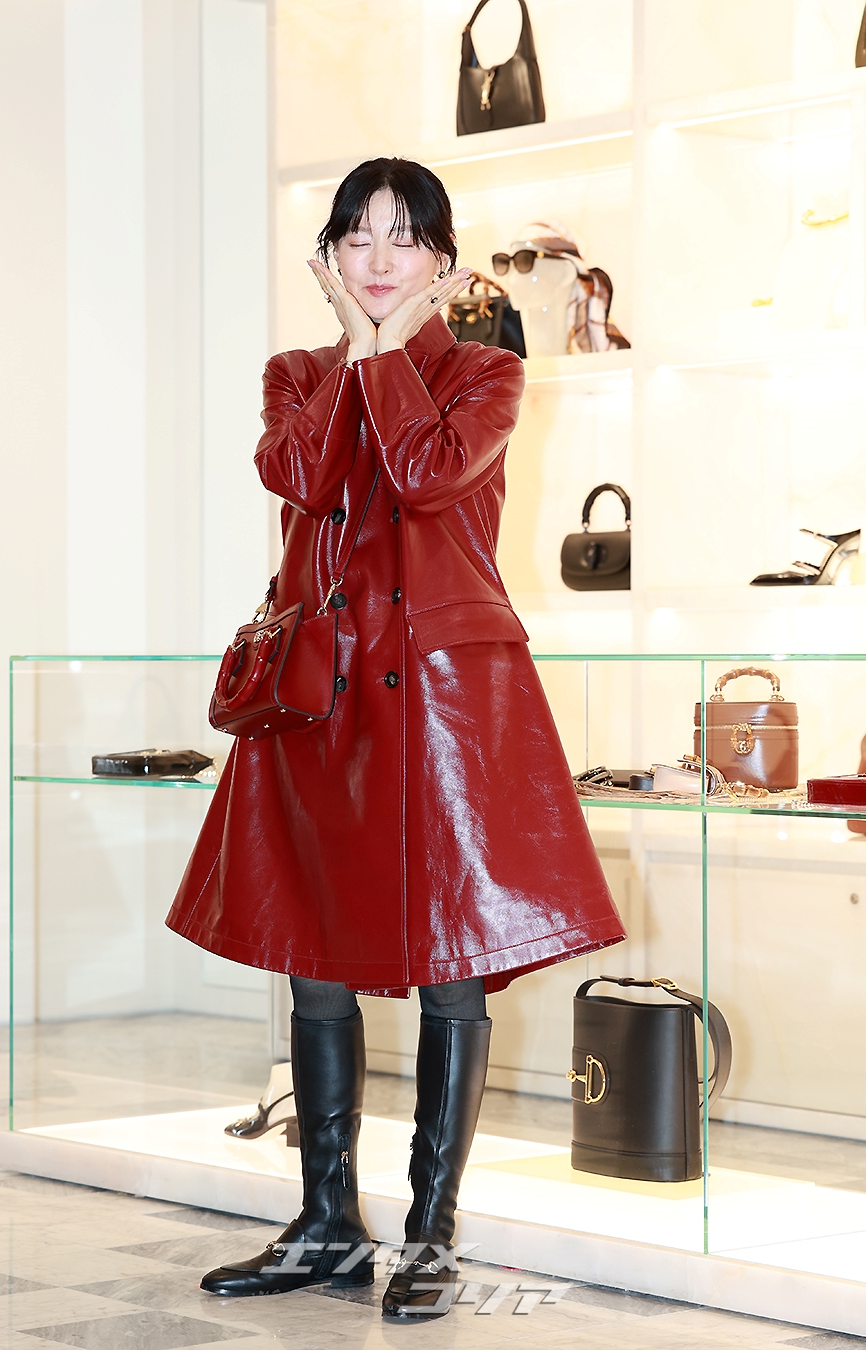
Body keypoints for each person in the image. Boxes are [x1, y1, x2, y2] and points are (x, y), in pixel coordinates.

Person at [165, 157, 625, 1320]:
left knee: (450, 959)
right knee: (314, 954)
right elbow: (302, 474)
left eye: (403, 237)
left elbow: (424, 473)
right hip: (318, 697)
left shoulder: (487, 371)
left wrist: (381, 351)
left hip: (446, 700)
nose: (378, 257)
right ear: (327, 257)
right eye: (357, 237)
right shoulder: (295, 375)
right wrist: (354, 355)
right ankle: (326, 1222)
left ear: (442, 263)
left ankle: (430, 1233)